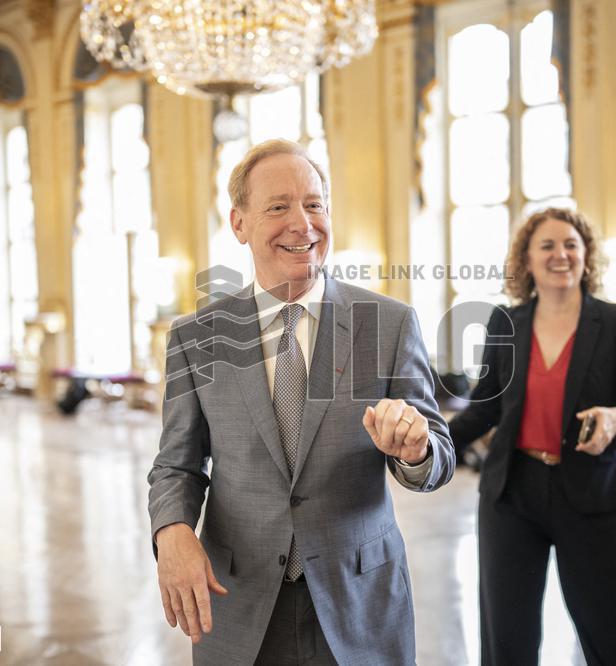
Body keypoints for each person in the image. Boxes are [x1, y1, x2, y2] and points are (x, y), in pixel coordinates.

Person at [147, 139, 455, 665]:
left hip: (359, 601)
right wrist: (172, 530)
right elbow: (177, 463)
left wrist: (416, 450)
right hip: (239, 604)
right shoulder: (195, 337)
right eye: (278, 207)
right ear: (239, 223)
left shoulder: (389, 323)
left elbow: (439, 454)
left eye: (314, 204)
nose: (302, 223)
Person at [449, 208, 616, 665]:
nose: (560, 254)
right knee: (507, 643)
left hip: (595, 495)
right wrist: (431, 442)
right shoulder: (506, 324)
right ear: (526, 260)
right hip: (512, 494)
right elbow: (485, 406)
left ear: (587, 256)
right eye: (546, 245)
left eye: (571, 244)